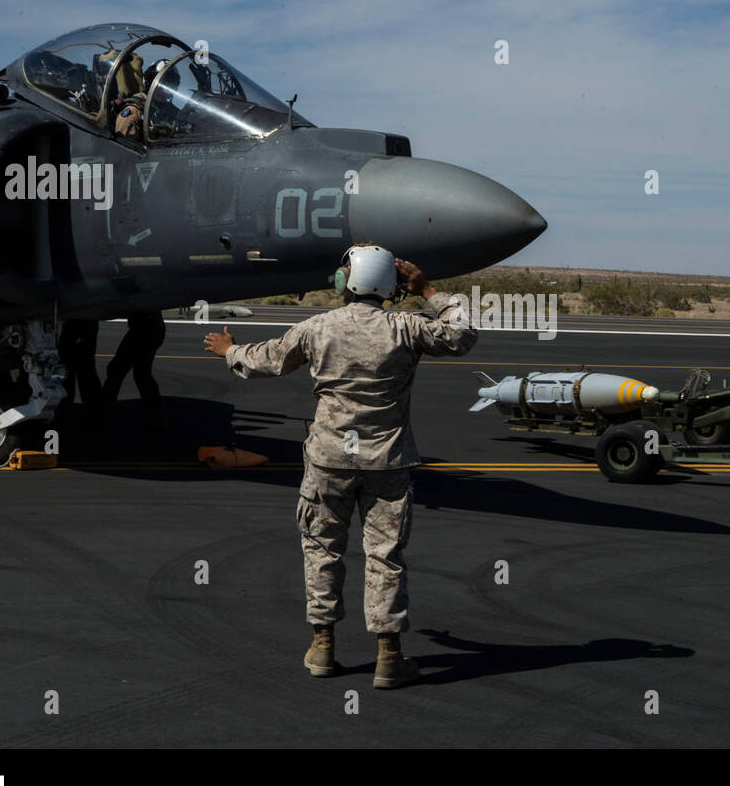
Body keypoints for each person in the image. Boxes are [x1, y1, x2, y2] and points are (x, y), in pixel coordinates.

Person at [203, 245, 476, 689]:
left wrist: (230, 350)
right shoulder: (406, 328)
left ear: (344, 282)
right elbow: (461, 336)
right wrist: (427, 290)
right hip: (387, 461)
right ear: (390, 285)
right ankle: (389, 656)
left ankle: (323, 647)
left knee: (321, 548)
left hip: (328, 460)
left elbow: (265, 362)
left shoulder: (318, 328)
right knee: (385, 556)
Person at [100, 310, 168, 430]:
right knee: (141, 374)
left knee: (117, 370)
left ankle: (102, 415)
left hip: (143, 330)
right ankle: (156, 416)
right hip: (151, 328)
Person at [56, 318, 102, 411]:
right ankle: (95, 412)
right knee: (86, 372)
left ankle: (63, 412)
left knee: (70, 373)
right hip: (86, 323)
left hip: (77, 324)